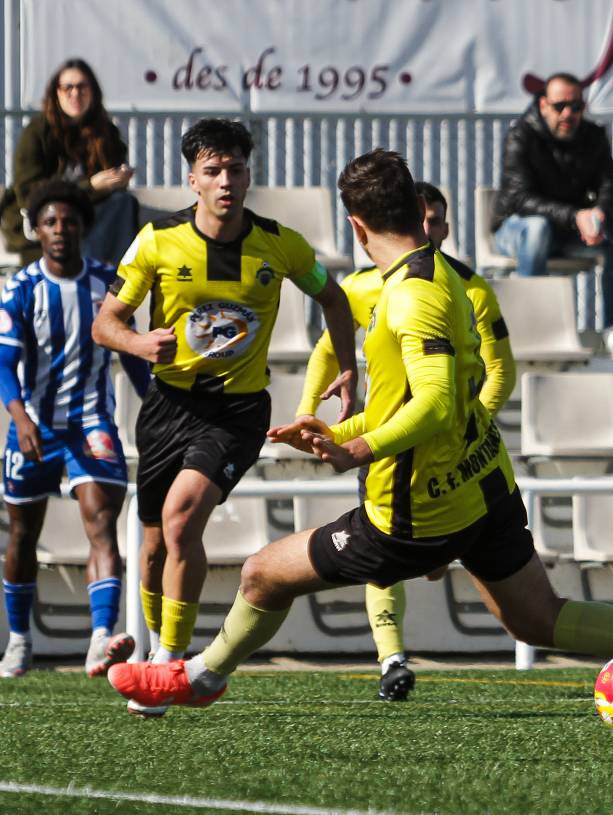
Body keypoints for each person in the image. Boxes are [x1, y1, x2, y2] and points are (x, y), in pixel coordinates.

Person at [106, 149, 613, 736]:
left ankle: (200, 675)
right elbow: (428, 394)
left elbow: (434, 402)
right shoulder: (447, 279)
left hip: (417, 507)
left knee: (262, 572)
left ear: (356, 225)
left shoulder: (409, 296)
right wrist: (338, 427)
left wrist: (359, 448)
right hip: (484, 479)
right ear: (416, 209)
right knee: (538, 617)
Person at [91, 118, 358, 717]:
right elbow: (105, 322)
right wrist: (137, 345)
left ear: (247, 174)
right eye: (213, 170)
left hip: (236, 410)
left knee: (183, 520)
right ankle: (161, 651)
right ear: (193, 179)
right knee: (157, 542)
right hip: (166, 406)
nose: (226, 180)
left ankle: (168, 661)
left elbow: (333, 297)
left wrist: (348, 366)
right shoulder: (157, 241)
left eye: (236, 168)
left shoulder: (279, 244)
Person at [294, 180, 515, 701]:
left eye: (439, 221)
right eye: (426, 219)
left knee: (435, 556)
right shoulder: (367, 285)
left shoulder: (472, 288)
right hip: (394, 439)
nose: (431, 229)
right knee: (381, 543)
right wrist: (308, 414)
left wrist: (467, 426)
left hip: (453, 450)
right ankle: (392, 656)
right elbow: (327, 349)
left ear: (444, 225)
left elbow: (501, 371)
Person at [0, 180, 151, 678]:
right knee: (23, 534)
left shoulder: (108, 284)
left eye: (68, 221)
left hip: (91, 425)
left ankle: (101, 638)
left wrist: (154, 403)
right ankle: (20, 640)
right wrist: (19, 419)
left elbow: (131, 353)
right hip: (35, 428)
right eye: (50, 222)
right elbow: (4, 364)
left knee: (101, 521)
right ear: (36, 230)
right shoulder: (22, 289)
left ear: (83, 226)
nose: (60, 230)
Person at [490, 72, 613, 360]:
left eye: (576, 106)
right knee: (537, 229)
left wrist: (598, 213)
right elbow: (520, 198)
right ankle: (529, 328)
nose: (568, 114)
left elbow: (608, 184)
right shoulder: (521, 135)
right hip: (517, 230)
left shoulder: (593, 135)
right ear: (544, 105)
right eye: (560, 106)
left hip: (568, 231)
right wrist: (576, 216)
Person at [1, 58, 138, 266]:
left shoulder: (105, 130)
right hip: (43, 218)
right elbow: (29, 194)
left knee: (123, 202)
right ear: (56, 93)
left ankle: (122, 282)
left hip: (89, 215)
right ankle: (86, 275)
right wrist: (90, 186)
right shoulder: (38, 131)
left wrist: (118, 177)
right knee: (67, 220)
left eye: (82, 87)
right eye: (68, 88)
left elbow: (112, 176)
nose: (76, 94)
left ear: (93, 92)